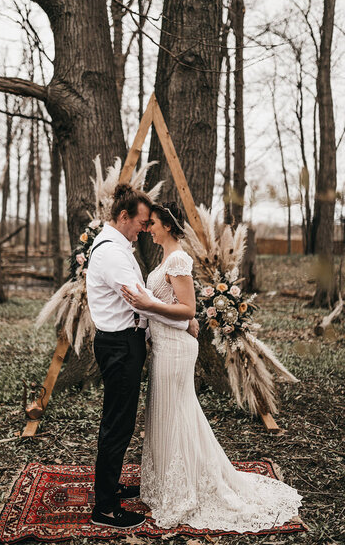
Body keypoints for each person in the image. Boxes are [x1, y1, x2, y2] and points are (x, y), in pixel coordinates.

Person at [121, 202, 303, 532]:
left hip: (176, 349)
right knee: (165, 411)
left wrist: (148, 304)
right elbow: (174, 308)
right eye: (147, 224)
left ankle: (184, 488)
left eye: (154, 224)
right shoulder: (164, 257)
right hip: (164, 345)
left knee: (176, 412)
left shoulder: (177, 259)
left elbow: (188, 309)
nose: (149, 228)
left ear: (168, 227)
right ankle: (165, 483)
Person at [86, 185, 199, 530]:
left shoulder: (119, 248)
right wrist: (184, 318)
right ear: (123, 217)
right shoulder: (111, 253)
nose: (144, 228)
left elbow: (146, 300)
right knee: (118, 423)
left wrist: (180, 318)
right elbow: (142, 301)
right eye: (141, 221)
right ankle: (105, 507)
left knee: (120, 420)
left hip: (126, 343)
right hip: (119, 345)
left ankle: (111, 484)